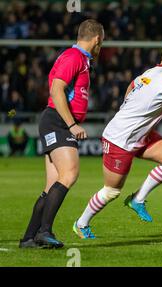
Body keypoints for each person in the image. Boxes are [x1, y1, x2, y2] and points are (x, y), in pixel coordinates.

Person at [73, 42, 162, 239]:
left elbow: (131, 86)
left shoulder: (149, 73)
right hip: (120, 139)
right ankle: (81, 223)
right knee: (111, 191)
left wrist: (128, 109)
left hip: (138, 134)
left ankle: (138, 199)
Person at [19, 20, 104, 249]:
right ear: (96, 39)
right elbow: (56, 89)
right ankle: (44, 232)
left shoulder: (79, 59)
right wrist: (72, 124)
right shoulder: (74, 57)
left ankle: (29, 237)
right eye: (101, 42)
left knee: (52, 184)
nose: (101, 46)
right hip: (58, 121)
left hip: (55, 121)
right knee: (70, 173)